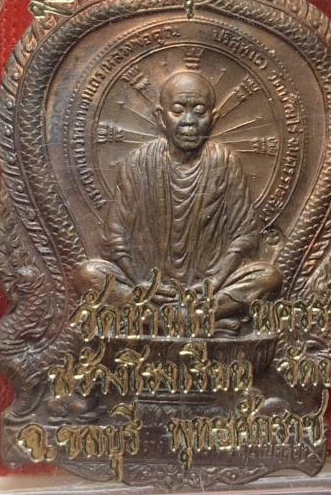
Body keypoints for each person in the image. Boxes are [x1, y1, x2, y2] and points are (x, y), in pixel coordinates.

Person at [75, 70, 282, 334]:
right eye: (178, 110)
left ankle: (159, 319)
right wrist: (141, 284)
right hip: (148, 288)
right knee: (88, 274)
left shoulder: (225, 163)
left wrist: (215, 282)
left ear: (214, 118)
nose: (189, 121)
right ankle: (192, 320)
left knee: (268, 277)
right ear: (161, 118)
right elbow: (115, 237)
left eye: (199, 111)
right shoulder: (139, 162)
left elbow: (244, 237)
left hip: (209, 289)